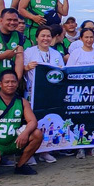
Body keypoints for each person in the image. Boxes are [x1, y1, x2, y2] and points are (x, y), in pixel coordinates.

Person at [0, 70, 43, 177]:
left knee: (37, 134)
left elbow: (33, 121)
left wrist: (25, 133)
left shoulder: (22, 102)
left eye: (13, 82)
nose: (10, 85)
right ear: (0, 84)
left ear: (17, 83)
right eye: (7, 82)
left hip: (15, 141)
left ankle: (21, 165)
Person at [22, 26, 64, 164]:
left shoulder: (56, 54)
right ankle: (30, 152)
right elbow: (19, 69)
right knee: (31, 122)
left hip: (50, 95)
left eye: (48, 36)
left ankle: (45, 151)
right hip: (32, 94)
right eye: (43, 35)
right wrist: (27, 67)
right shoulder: (29, 52)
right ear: (37, 37)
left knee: (47, 122)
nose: (45, 38)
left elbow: (63, 72)